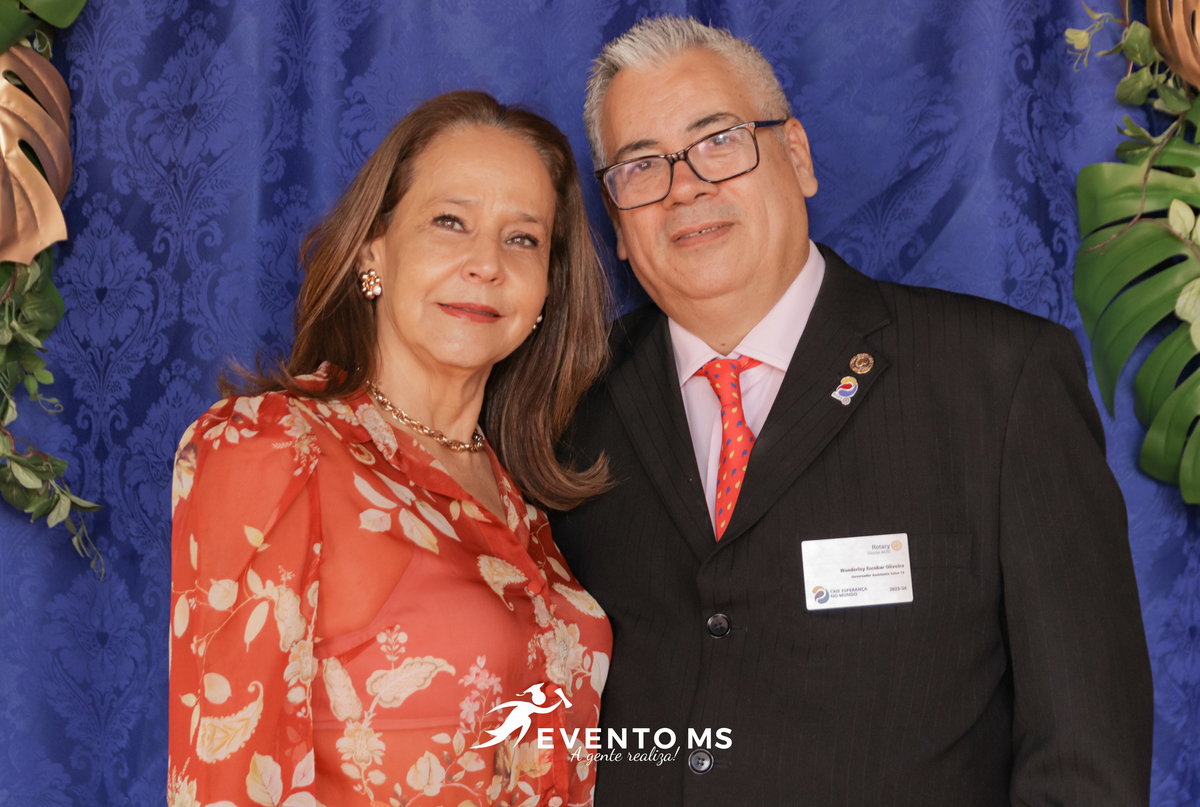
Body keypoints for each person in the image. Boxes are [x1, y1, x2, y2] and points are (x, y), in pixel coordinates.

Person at [548, 15, 1154, 806]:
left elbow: (1086, 764)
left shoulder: (1001, 380)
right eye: (641, 165)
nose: (686, 185)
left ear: (797, 156)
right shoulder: (563, 405)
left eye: (719, 140)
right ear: (617, 224)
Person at [168, 91, 614, 807]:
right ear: (374, 250)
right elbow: (226, 777)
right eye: (450, 222)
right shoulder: (274, 445)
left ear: (546, 290)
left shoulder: (522, 509)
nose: (486, 263)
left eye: (523, 239)